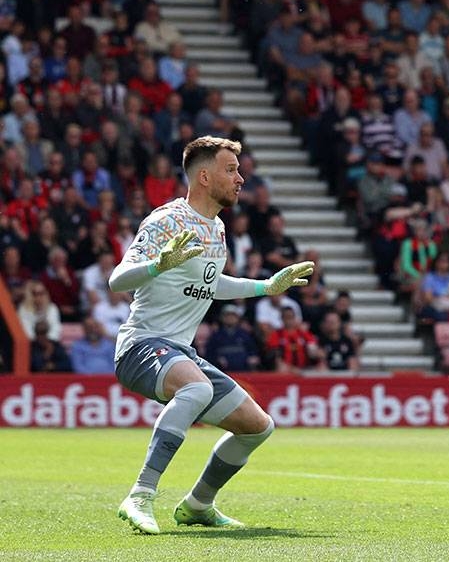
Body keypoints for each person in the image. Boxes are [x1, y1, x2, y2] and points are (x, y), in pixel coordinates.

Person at [108, 136, 314, 534]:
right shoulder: (166, 220)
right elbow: (117, 280)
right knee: (197, 389)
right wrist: (157, 265)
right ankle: (141, 495)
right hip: (141, 345)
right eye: (231, 170)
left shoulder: (216, 228)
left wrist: (265, 288)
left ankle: (198, 505)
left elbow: (211, 283)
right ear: (204, 176)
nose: (240, 178)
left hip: (179, 351)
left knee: (257, 426)